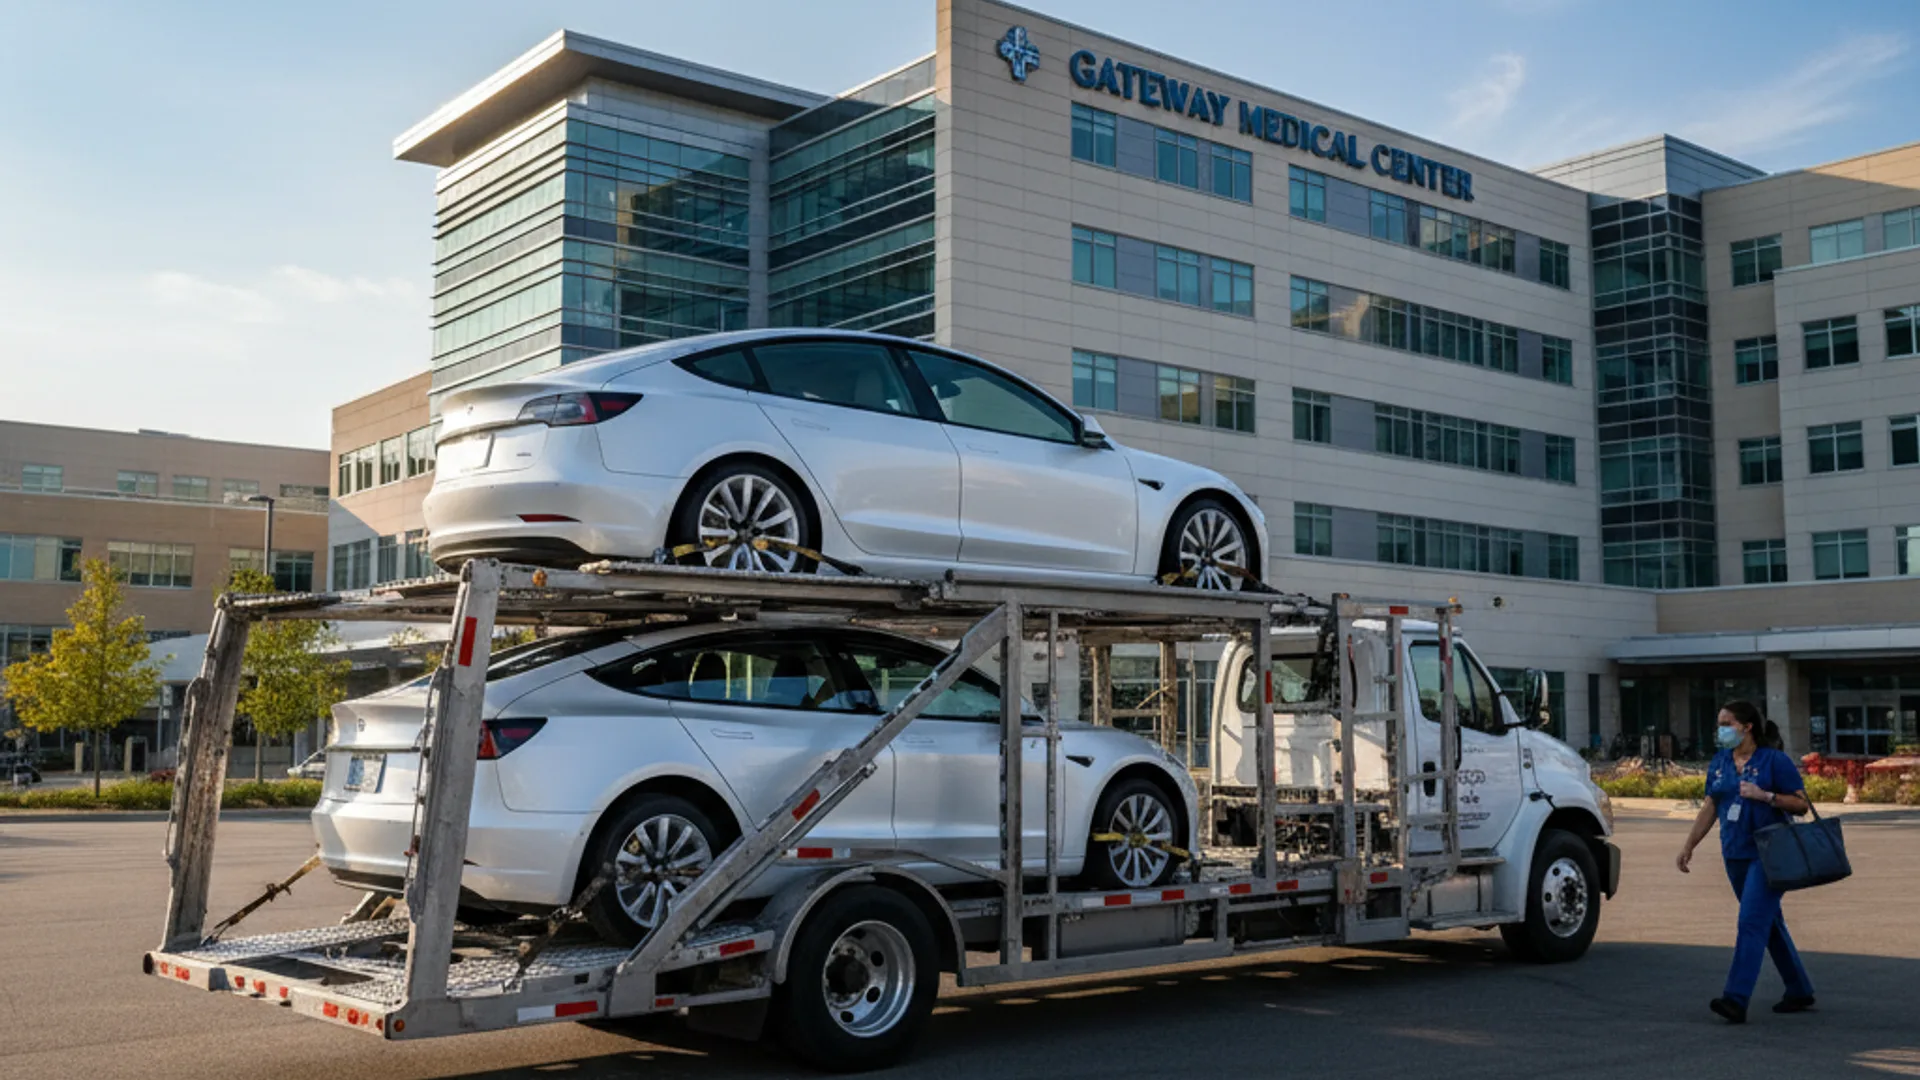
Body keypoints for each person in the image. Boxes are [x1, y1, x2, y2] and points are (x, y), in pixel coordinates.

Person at [1675, 700, 1816, 1024]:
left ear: (1747, 726)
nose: (1720, 730)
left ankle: (1735, 999)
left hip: (1770, 853)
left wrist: (1765, 796)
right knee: (1768, 924)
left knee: (1751, 922)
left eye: (1727, 723)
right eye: (1719, 724)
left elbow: (1801, 805)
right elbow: (1711, 805)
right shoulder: (1721, 762)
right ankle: (1799, 988)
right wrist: (1689, 845)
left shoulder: (1774, 760)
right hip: (1734, 854)